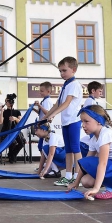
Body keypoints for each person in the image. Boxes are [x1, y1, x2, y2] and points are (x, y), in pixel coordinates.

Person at [42, 56, 83, 186]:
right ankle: (69, 176)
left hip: (73, 121)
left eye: (64, 70)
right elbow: (57, 104)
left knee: (76, 149)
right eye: (60, 71)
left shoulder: (74, 85)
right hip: (66, 122)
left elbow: (66, 103)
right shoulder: (65, 86)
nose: (61, 73)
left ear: (74, 69)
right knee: (69, 150)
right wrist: (45, 117)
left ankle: (78, 177)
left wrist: (53, 115)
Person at [0, 93, 23, 163]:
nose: (8, 102)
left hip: (15, 131)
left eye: (9, 101)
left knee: (22, 142)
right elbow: (0, 122)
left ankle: (12, 154)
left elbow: (20, 122)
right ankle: (11, 157)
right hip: (6, 131)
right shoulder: (4, 112)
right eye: (7, 101)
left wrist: (15, 119)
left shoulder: (17, 112)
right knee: (13, 142)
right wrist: (1, 111)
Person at [33, 81, 53, 158]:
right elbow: (41, 113)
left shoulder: (47, 101)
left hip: (45, 127)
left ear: (48, 91)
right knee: (41, 146)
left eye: (42, 91)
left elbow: (48, 113)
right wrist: (34, 109)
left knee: (43, 146)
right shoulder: (44, 100)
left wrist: (40, 106)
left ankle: (46, 163)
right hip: (42, 126)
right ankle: (45, 163)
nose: (40, 93)